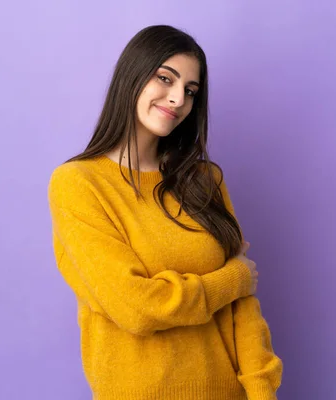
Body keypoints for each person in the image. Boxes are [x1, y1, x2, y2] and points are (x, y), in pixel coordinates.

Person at [47, 24, 282, 400]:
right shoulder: (78, 184)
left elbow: (244, 311)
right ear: (133, 76)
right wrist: (231, 279)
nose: (178, 99)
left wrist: (262, 391)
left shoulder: (204, 179)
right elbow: (135, 307)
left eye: (190, 91)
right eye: (165, 78)